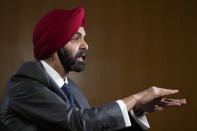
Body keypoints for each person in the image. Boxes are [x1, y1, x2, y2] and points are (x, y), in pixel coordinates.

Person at [0, 6, 186, 131]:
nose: (86, 45)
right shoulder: (25, 80)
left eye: (84, 38)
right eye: (76, 38)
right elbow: (77, 123)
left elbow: (91, 127)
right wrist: (135, 98)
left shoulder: (72, 89)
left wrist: (136, 110)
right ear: (54, 45)